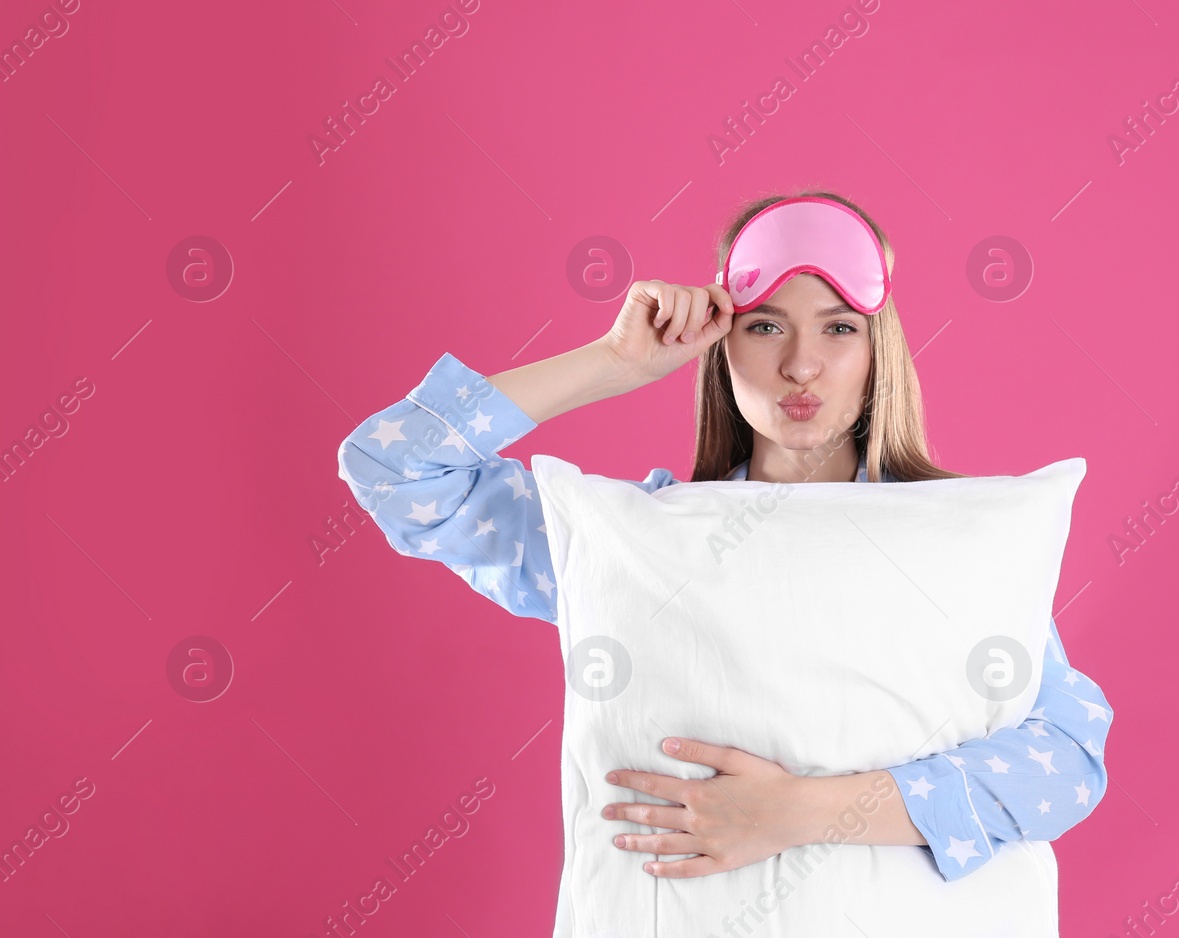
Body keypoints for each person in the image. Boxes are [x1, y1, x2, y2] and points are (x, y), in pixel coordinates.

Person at [335, 190, 1113, 885]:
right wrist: (613, 363)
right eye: (765, 326)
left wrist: (797, 813)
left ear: (879, 354)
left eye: (839, 328)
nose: (801, 365)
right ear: (720, 347)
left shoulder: (952, 541)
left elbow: (1065, 763)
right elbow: (395, 469)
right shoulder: (641, 546)